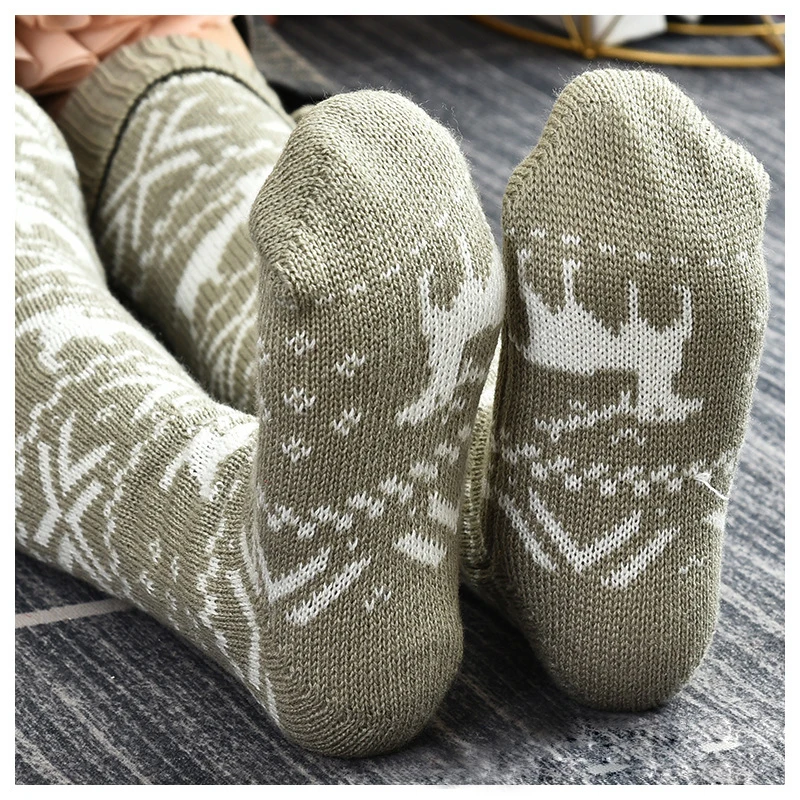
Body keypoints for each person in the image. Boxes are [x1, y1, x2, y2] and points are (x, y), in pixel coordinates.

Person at [15, 16, 770, 757]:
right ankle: (552, 532)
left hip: (135, 54)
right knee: (250, 209)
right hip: (144, 49)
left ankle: (290, 566)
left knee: (86, 297)